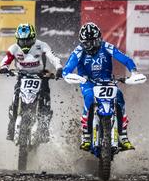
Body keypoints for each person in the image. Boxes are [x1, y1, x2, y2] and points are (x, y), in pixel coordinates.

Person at [61, 23, 143, 151]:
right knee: (89, 98)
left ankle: (123, 135)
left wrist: (134, 71)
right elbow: (66, 70)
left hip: (107, 81)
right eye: (87, 43)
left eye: (95, 41)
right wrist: (74, 77)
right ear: (82, 42)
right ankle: (86, 137)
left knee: (119, 97)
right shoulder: (78, 51)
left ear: (100, 38)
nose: (92, 45)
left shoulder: (107, 46)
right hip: (88, 82)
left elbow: (125, 59)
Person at [0, 23, 60, 141]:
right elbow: (5, 61)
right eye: (22, 41)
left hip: (41, 77)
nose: (25, 43)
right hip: (22, 77)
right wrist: (4, 68)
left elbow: (53, 57)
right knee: (15, 100)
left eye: (27, 40)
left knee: (45, 101)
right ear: (18, 39)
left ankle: (44, 128)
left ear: (33, 38)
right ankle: (11, 128)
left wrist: (59, 68)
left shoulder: (42, 45)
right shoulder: (14, 48)